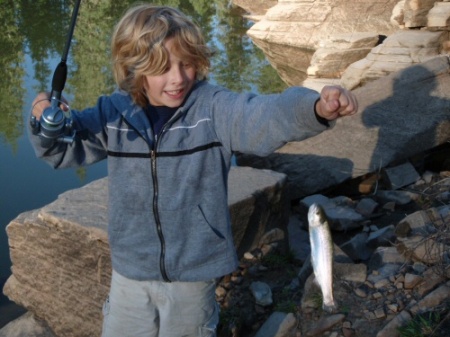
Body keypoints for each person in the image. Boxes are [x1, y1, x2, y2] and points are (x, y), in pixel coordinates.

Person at [29, 4, 358, 337]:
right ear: (133, 68)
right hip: (130, 271)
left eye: (186, 63)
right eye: (162, 67)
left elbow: (264, 116)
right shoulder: (113, 114)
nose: (178, 78)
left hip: (194, 273)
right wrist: (42, 117)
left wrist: (314, 107)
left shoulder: (212, 108)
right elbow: (60, 152)